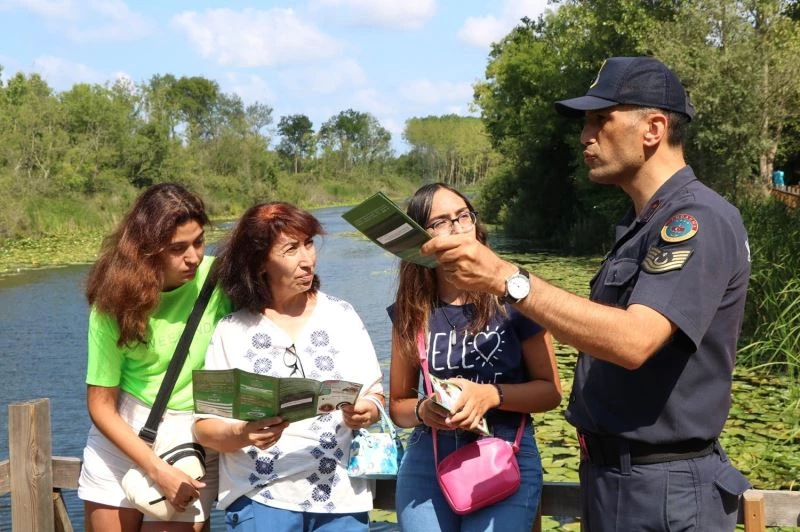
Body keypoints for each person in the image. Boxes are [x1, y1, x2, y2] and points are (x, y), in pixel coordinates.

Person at [421, 57, 752, 531]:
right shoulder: (642, 225)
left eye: (601, 119)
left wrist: (508, 281)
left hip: (663, 488)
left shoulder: (694, 220)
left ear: (653, 128)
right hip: (615, 479)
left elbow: (634, 341)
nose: (585, 136)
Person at [193, 202, 385, 532]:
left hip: (341, 498)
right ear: (260, 262)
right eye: (291, 249)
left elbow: (376, 396)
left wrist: (366, 410)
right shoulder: (232, 330)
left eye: (308, 243)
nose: (307, 260)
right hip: (260, 498)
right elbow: (206, 428)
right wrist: (244, 433)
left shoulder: (342, 316)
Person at [387, 183, 562, 531]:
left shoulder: (515, 295)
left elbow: (550, 391)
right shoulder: (412, 311)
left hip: (505, 447)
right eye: (441, 222)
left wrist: (491, 395)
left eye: (463, 216)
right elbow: (399, 406)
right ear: (421, 241)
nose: (457, 228)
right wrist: (424, 410)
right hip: (429, 453)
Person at [77, 182, 233, 531]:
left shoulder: (218, 280)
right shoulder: (114, 301)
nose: (193, 256)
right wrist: (154, 467)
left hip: (189, 442)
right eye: (178, 248)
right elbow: (101, 404)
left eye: (199, 241)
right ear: (147, 250)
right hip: (123, 438)